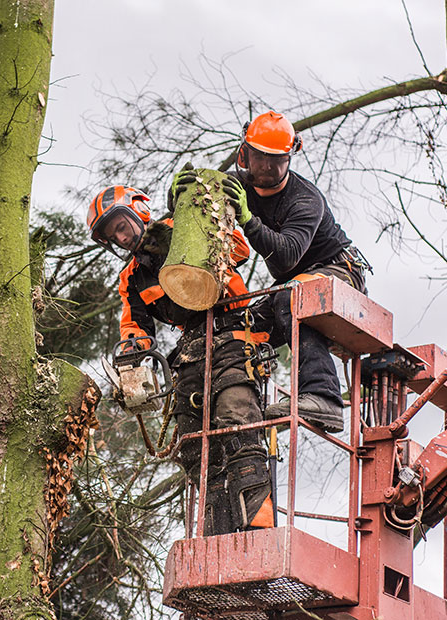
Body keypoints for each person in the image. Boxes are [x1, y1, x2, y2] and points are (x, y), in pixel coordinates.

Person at [86, 184, 273, 536]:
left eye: (122, 227)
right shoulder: (131, 277)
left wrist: (196, 233)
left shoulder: (182, 225)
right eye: (113, 236)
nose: (122, 238)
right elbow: (135, 326)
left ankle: (259, 529)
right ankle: (216, 534)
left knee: (237, 420)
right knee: (193, 446)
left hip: (232, 330)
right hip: (189, 350)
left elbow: (239, 248)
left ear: (139, 212)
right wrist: (130, 356)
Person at [217, 110, 370, 434]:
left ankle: (323, 396)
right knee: (238, 326)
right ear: (245, 155)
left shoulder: (304, 199)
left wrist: (248, 220)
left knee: (291, 298)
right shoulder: (239, 185)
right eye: (259, 158)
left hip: (339, 269)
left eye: (275, 160)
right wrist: (182, 193)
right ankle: (242, 414)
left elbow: (286, 256)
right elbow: (203, 193)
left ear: (289, 159)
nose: (266, 167)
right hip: (293, 283)